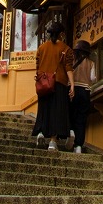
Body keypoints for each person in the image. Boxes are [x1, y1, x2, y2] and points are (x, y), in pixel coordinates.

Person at [31, 22, 74, 151]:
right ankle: (53, 141)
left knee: (44, 109)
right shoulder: (66, 49)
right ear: (61, 34)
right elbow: (68, 68)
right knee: (56, 112)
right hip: (59, 83)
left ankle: (41, 133)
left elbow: (37, 65)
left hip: (43, 83)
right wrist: (72, 84)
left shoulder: (42, 48)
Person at [69, 38, 96, 153]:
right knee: (81, 118)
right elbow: (93, 78)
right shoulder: (91, 63)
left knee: (70, 113)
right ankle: (78, 145)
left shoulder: (71, 61)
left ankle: (70, 131)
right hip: (85, 91)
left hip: (72, 90)